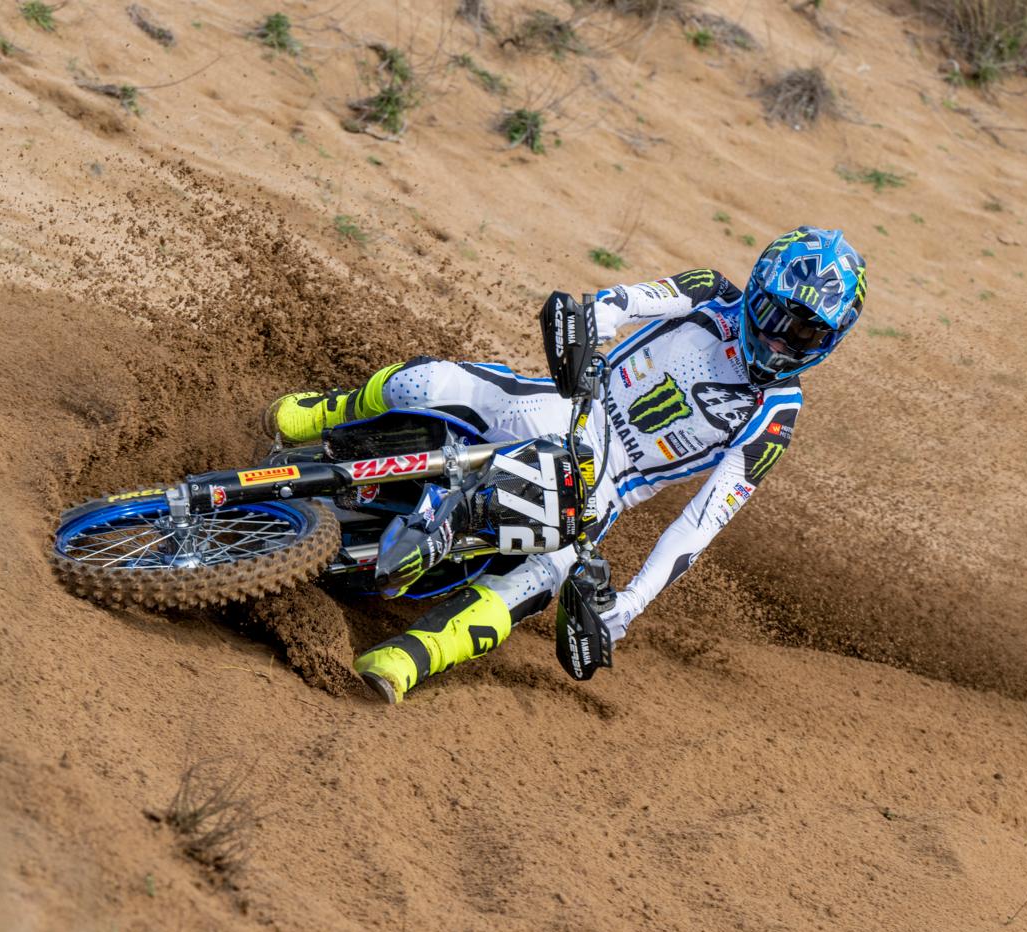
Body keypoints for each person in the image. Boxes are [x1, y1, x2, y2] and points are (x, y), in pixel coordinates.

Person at [262, 227, 866, 703]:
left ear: (828, 343)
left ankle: (405, 661)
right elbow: (621, 304)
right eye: (777, 317)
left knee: (537, 581)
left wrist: (628, 606)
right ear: (757, 290)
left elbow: (700, 524)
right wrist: (584, 329)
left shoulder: (777, 416)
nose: (781, 341)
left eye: (804, 335)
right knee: (426, 381)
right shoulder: (710, 291)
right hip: (564, 404)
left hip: (604, 493)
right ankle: (321, 414)